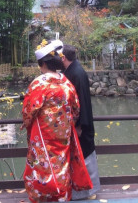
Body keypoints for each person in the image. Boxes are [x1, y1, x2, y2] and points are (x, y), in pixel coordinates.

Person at [22, 39, 92, 203]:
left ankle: (42, 195)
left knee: (41, 164)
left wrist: (26, 122)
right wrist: (66, 123)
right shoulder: (66, 82)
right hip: (63, 133)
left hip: (43, 134)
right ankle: (62, 195)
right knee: (62, 164)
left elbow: (28, 110)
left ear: (43, 64)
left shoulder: (39, 83)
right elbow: (76, 108)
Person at [61, 44, 101, 200]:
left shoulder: (77, 73)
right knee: (79, 157)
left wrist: (79, 125)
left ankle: (88, 191)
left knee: (85, 156)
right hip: (77, 122)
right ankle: (79, 191)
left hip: (81, 124)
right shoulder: (73, 71)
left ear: (63, 57)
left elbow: (82, 101)